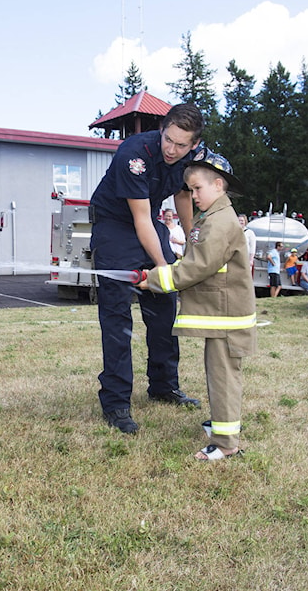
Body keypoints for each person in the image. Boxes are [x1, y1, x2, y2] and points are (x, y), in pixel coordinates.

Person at [89, 103, 204, 434]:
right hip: (115, 225)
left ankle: (164, 386)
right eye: (168, 140)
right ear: (162, 129)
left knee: (164, 307)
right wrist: (165, 268)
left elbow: (183, 196)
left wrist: (191, 238)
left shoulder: (191, 157)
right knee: (117, 318)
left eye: (181, 145)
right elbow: (140, 219)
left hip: (150, 223)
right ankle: (116, 402)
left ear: (193, 145)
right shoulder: (134, 153)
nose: (172, 149)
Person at [137, 148, 255, 460]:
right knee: (218, 373)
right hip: (221, 315)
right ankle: (221, 425)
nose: (193, 196)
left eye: (197, 189)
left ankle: (226, 443)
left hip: (226, 317)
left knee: (224, 376)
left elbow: (198, 266)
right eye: (189, 190)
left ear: (219, 185)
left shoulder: (219, 223)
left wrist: (154, 279)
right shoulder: (213, 218)